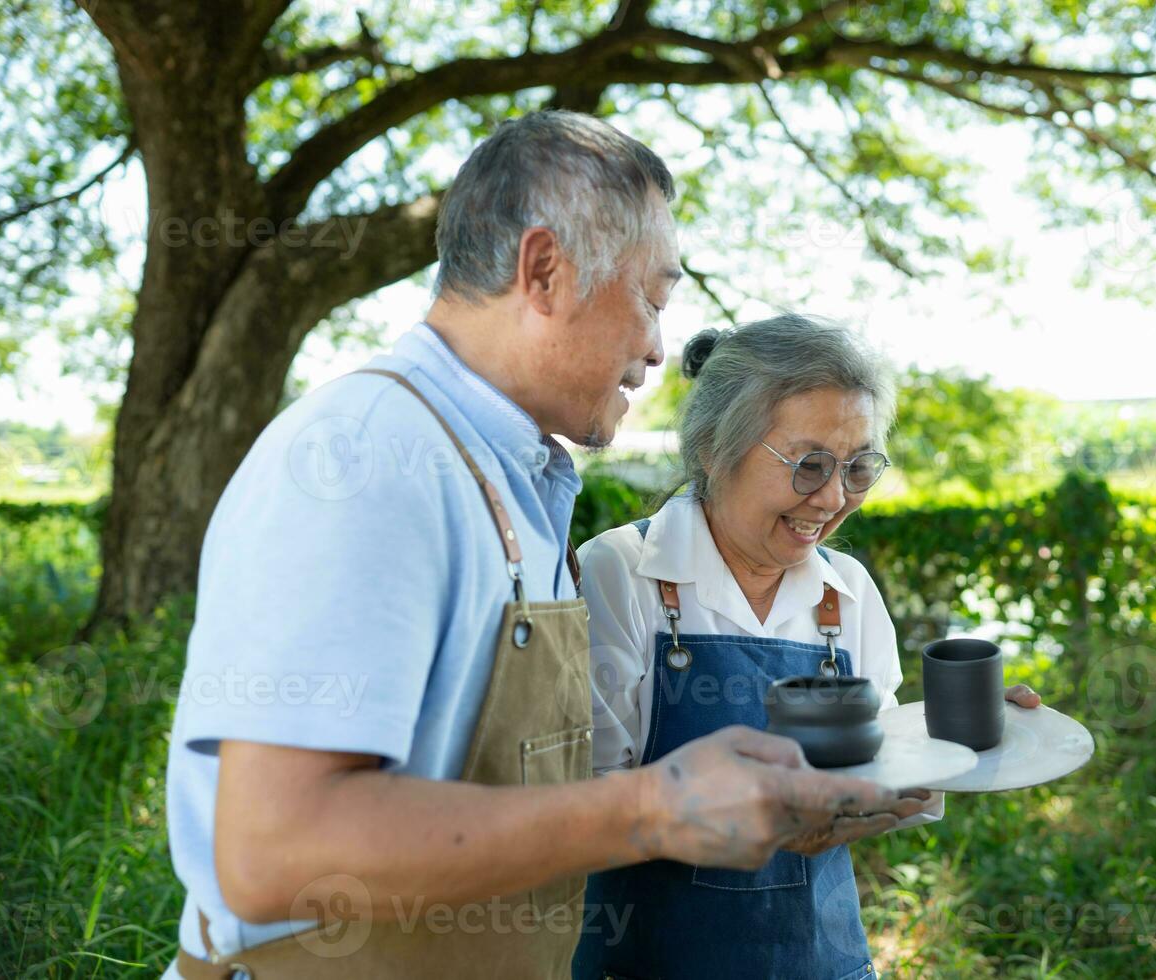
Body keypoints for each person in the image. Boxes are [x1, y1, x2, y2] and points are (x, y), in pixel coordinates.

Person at [162, 113, 902, 978]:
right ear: (544, 271)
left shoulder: (515, 480)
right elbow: (273, 854)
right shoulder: (366, 458)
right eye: (652, 301)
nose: (660, 351)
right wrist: (652, 809)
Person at [571, 314, 1043, 980]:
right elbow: (581, 809)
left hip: (824, 962)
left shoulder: (845, 592)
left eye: (858, 468)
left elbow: (880, 770)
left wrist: (964, 737)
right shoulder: (618, 574)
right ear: (713, 449)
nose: (832, 498)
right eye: (808, 465)